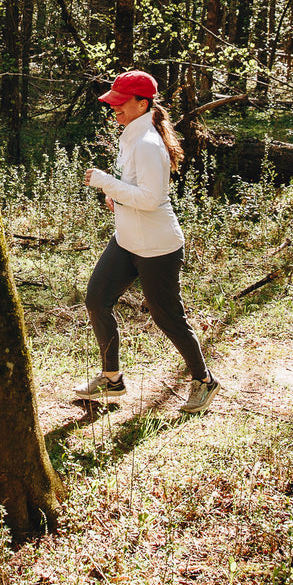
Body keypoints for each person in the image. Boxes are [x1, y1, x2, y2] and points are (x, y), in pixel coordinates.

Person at [76, 70, 220, 414]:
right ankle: (112, 379)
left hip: (158, 248)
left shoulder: (148, 143)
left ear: (142, 104)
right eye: (113, 103)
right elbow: (136, 190)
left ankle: (204, 380)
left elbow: (153, 199)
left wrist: (107, 184)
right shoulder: (131, 134)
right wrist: (118, 196)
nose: (115, 110)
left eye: (121, 104)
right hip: (127, 241)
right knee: (96, 300)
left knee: (168, 317)